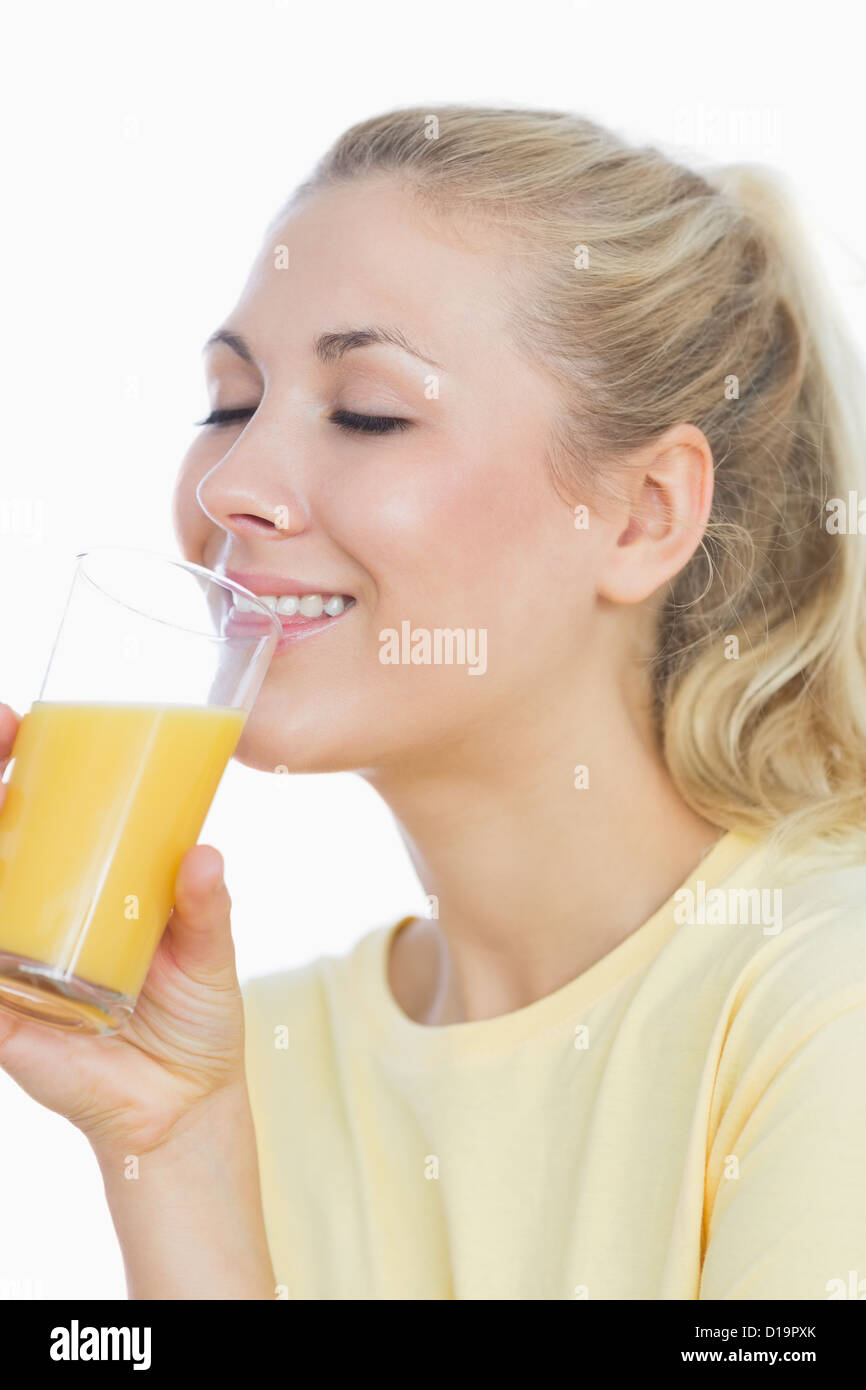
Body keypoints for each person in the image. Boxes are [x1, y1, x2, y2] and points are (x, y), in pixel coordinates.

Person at [2, 104, 866, 1300]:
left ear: (641, 515)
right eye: (227, 401)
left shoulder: (825, 1006)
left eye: (367, 412)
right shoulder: (242, 1060)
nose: (234, 482)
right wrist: (175, 1150)